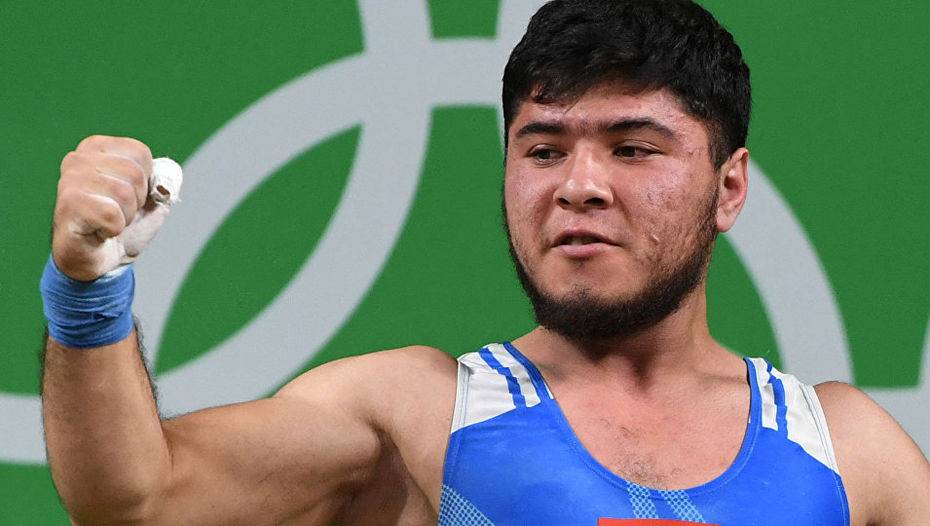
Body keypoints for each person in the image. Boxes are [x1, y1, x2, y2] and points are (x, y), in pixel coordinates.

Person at [40, 0, 929, 524]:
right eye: (544, 150)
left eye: (632, 148)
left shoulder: (848, 452)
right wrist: (89, 288)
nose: (579, 186)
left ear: (728, 188)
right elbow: (136, 502)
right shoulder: (416, 415)